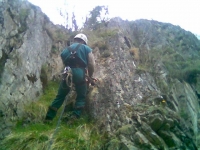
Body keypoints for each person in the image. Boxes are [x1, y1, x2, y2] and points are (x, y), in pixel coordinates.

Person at [45, 33, 95, 122]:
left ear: (75, 39)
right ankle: (74, 117)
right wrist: (89, 77)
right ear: (84, 41)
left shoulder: (65, 50)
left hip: (67, 73)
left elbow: (63, 61)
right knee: (81, 96)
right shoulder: (86, 48)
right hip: (80, 73)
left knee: (60, 96)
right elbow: (91, 64)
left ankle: (49, 118)